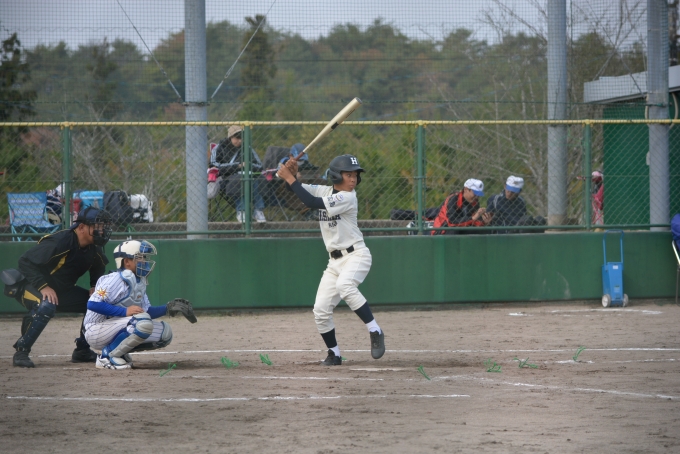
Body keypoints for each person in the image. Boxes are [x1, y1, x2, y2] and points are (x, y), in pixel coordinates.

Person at [277, 154, 385, 366]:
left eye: (355, 175)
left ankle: (375, 329)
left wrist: (289, 177)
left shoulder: (348, 197)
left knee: (345, 286)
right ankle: (334, 354)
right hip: (334, 262)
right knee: (320, 310)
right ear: (336, 175)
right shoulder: (324, 191)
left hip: (356, 255)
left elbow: (311, 202)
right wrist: (293, 175)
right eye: (348, 174)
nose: (353, 179)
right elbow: (296, 191)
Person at [8, 206, 112, 368]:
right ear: (82, 227)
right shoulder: (62, 241)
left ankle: (82, 350)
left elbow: (98, 267)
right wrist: (43, 286)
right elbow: (25, 261)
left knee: (97, 304)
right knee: (45, 305)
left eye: (103, 226)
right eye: (97, 226)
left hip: (61, 291)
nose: (102, 230)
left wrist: (95, 286)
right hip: (29, 284)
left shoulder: (94, 248)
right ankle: (21, 351)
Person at [83, 240, 196, 370]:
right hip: (95, 330)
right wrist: (124, 312)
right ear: (127, 261)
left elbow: (145, 311)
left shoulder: (139, 281)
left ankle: (119, 351)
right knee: (141, 323)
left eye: (144, 257)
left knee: (165, 333)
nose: (144, 261)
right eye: (140, 257)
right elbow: (92, 304)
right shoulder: (115, 279)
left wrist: (167, 308)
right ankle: (106, 356)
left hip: (113, 328)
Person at [210, 125, 267, 223]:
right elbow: (214, 166)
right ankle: (241, 210)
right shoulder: (220, 147)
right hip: (226, 179)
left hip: (247, 176)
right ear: (230, 137)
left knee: (257, 178)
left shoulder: (247, 148)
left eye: (242, 138)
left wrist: (248, 165)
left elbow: (259, 166)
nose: (240, 141)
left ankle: (258, 210)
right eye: (237, 138)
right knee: (239, 180)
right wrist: (237, 166)